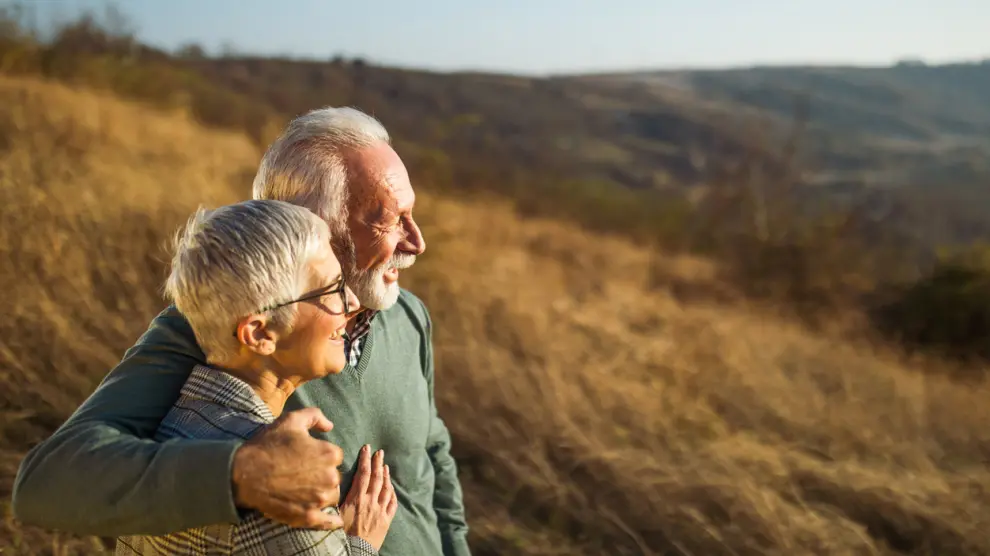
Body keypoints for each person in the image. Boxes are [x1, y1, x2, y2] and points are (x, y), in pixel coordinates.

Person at [12, 107, 471, 556]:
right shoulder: (215, 327)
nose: (417, 242)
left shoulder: (408, 314)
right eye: (388, 218)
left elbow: (433, 455)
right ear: (307, 223)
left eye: (412, 213)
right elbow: (46, 485)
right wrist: (242, 473)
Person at [117, 199, 394, 555]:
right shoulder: (281, 491)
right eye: (333, 289)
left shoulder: (163, 425)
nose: (353, 302)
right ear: (260, 334)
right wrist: (360, 542)